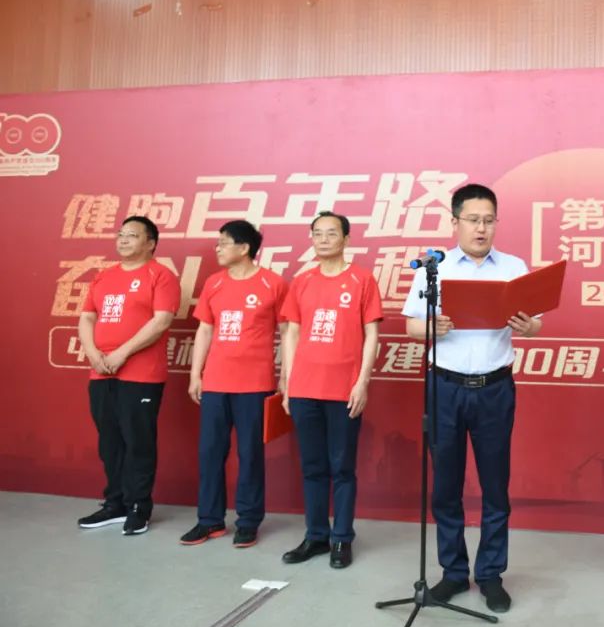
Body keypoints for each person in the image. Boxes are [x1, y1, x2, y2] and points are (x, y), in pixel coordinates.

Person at [401, 183, 540, 613]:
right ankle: (454, 573)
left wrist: (528, 326)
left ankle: (491, 575)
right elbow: (411, 326)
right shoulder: (433, 269)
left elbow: (535, 323)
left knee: (496, 486)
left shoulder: (513, 267)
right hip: (444, 388)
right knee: (446, 486)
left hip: (494, 389)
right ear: (455, 222)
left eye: (489, 220)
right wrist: (433, 326)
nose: (482, 228)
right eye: (473, 220)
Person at [279, 211, 382, 570]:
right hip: (305, 388)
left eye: (331, 233)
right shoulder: (302, 281)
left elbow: (371, 334)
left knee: (342, 467)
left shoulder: (361, 279)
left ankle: (342, 538)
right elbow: (292, 333)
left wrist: (362, 382)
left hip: (343, 390)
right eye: (317, 233)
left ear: (346, 239)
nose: (323, 240)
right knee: (312, 467)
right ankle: (316, 536)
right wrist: (289, 382)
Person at [182, 220, 288, 548]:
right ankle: (209, 520)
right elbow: (205, 330)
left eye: (224, 243)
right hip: (215, 382)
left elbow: (287, 332)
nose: (218, 248)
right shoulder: (214, 283)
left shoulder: (273, 283)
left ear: (244, 248)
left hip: (254, 384)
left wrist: (286, 375)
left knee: (250, 454)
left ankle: (248, 521)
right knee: (210, 452)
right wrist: (195, 374)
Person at [77, 215, 180, 535]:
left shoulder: (161, 276)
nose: (122, 240)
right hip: (101, 371)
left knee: (138, 442)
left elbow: (161, 321)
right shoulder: (104, 276)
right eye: (120, 234)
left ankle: (139, 507)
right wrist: (93, 354)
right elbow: (87, 317)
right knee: (109, 441)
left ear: (150, 243)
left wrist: (122, 353)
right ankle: (115, 504)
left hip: (140, 374)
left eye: (132, 235)